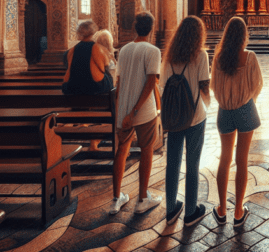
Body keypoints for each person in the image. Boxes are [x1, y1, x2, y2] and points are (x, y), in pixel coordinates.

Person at [211, 16, 262, 228]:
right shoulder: (249, 57)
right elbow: (257, 85)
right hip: (245, 110)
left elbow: (214, 86)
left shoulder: (218, 58)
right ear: (244, 35)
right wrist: (246, 99)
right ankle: (239, 211)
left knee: (224, 159)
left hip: (224, 111)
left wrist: (227, 99)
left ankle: (222, 209)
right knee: (242, 161)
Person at [110, 12, 162, 215]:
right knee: (146, 150)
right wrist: (136, 110)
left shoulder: (123, 50)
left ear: (134, 27)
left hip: (124, 109)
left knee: (121, 150)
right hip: (143, 111)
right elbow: (151, 83)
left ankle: (116, 198)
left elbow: (120, 82)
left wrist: (122, 109)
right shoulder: (153, 50)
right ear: (151, 28)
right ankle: (142, 199)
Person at [161, 16, 211, 226]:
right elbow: (204, 87)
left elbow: (163, 86)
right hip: (195, 116)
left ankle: (171, 209)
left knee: (172, 162)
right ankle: (191, 212)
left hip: (173, 116)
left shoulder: (169, 56)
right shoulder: (201, 55)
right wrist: (207, 104)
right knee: (193, 163)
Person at [62, 23, 114, 95]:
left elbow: (68, 66)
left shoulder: (71, 50)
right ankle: (111, 106)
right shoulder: (98, 48)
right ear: (93, 32)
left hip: (71, 87)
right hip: (93, 86)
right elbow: (105, 68)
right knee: (109, 78)